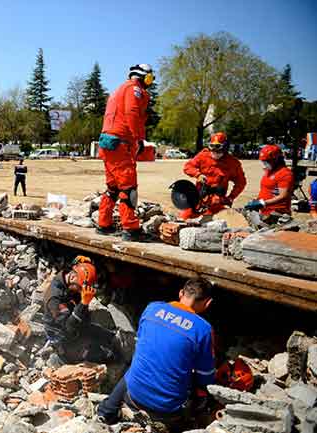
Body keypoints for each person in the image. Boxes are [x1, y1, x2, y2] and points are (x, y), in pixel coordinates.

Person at [96, 278, 215, 430]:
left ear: (181, 293)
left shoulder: (152, 308)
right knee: (200, 391)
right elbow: (206, 377)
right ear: (207, 303)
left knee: (137, 366)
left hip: (133, 396)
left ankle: (106, 412)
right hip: (166, 410)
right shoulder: (203, 329)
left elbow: (142, 345)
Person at [96, 64, 154, 241]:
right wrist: (139, 139)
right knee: (129, 189)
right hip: (120, 144)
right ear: (144, 77)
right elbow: (132, 113)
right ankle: (131, 229)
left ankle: (103, 224)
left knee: (112, 188)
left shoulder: (119, 90)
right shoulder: (134, 89)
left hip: (108, 143)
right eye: (150, 77)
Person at [43, 256, 119, 364]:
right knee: (110, 356)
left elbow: (76, 268)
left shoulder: (67, 277)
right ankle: (64, 357)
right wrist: (84, 303)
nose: (81, 291)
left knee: (111, 338)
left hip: (78, 326)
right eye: (80, 288)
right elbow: (68, 327)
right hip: (64, 337)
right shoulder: (55, 299)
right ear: (73, 278)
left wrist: (82, 263)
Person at [180, 132, 246, 220]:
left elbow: (241, 183)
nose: (214, 152)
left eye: (218, 148)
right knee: (184, 217)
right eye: (212, 147)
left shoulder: (233, 163)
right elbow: (188, 167)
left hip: (218, 202)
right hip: (199, 198)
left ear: (225, 147)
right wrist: (197, 175)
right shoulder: (203, 156)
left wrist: (231, 197)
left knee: (217, 223)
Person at [244, 144, 294, 218]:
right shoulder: (269, 171)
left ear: (276, 159)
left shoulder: (285, 173)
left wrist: (262, 203)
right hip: (265, 211)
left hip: (277, 213)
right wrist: (257, 201)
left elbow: (283, 196)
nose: (265, 164)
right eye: (263, 161)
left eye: (267, 161)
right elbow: (266, 189)